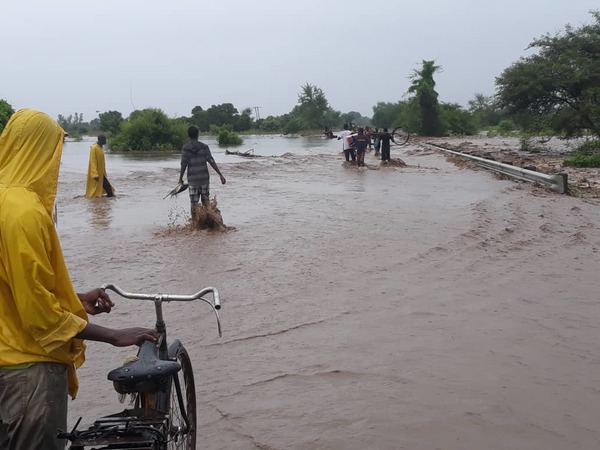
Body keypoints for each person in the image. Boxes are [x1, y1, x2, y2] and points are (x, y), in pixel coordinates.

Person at [0, 109, 158, 450]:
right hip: (27, 368)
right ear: (42, 150)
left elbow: (15, 287)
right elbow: (38, 313)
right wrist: (114, 335)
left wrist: (74, 299)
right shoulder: (23, 211)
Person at [178, 126, 226, 221]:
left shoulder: (185, 148)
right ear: (198, 134)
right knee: (206, 203)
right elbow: (211, 161)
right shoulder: (204, 147)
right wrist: (220, 175)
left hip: (192, 180)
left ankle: (195, 224)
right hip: (204, 179)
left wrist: (180, 179)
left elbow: (183, 164)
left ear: (188, 135)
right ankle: (210, 224)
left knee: (194, 204)